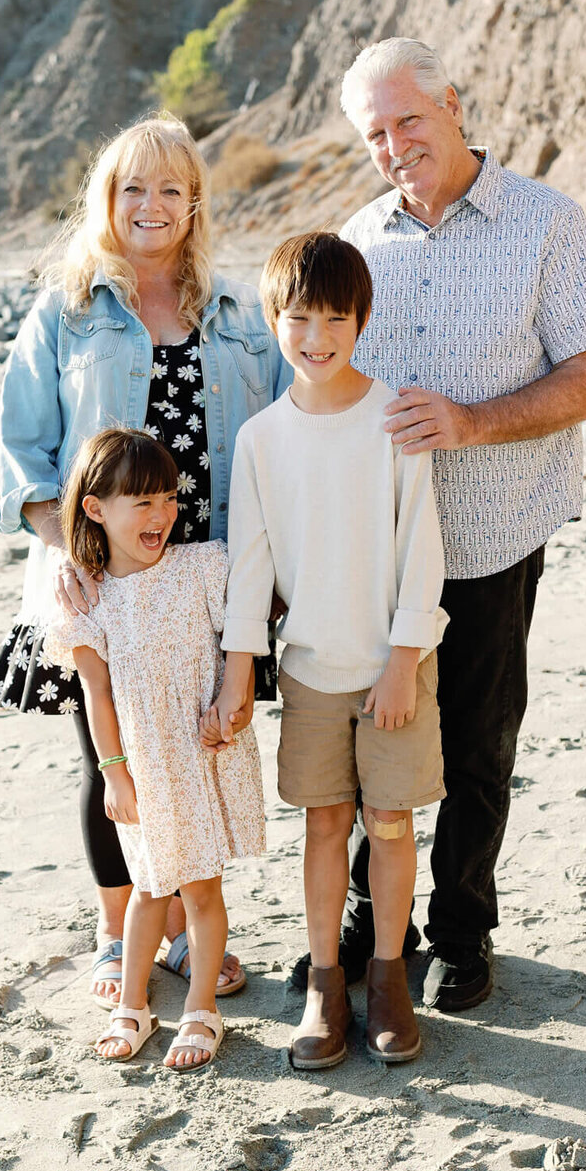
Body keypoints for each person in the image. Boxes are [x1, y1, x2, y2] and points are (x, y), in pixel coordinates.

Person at [330, 36, 586, 1013]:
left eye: (408, 119)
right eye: (375, 132)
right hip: (377, 548)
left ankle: (462, 932)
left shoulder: (547, 223)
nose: (394, 144)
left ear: (453, 104)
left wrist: (469, 423)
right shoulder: (356, 239)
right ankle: (368, 927)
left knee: (478, 746)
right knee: (364, 742)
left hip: (497, 531)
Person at [0, 114, 284, 1009]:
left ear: (195, 203)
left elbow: (274, 452)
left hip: (204, 582)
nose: (150, 205)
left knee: (193, 759)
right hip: (99, 582)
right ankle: (120, 937)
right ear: (105, 202)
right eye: (131, 189)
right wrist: (66, 545)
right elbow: (20, 453)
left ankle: (194, 936)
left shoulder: (237, 315)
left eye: (170, 188)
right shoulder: (67, 313)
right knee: (112, 764)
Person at [209, 232, 447, 1068]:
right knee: (324, 823)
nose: (315, 336)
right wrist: (239, 673)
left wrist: (402, 659)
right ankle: (323, 982)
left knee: (389, 823)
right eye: (298, 317)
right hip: (309, 667)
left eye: (334, 318)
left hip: (393, 667)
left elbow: (423, 547)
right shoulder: (263, 440)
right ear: (273, 318)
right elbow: (250, 567)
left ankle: (387, 978)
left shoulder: (395, 419)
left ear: (362, 320)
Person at [40, 428, 264, 1069]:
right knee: (147, 886)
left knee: (200, 888)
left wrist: (235, 696)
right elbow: (96, 697)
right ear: (94, 509)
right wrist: (113, 773)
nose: (162, 514)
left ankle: (201, 1009)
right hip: (144, 764)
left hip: (203, 752)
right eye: (141, 502)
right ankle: (132, 1005)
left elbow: (243, 631)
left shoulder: (201, 567)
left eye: (168, 497)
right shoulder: (86, 602)